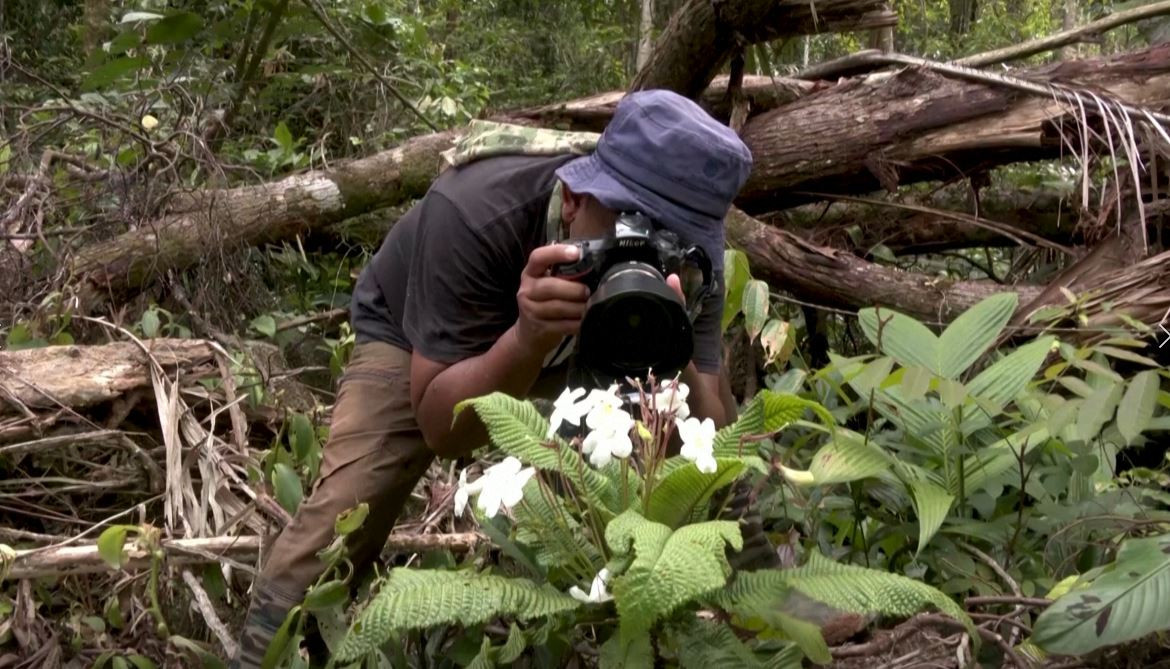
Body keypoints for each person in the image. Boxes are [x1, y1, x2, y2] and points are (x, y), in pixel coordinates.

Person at [231, 89, 772, 668]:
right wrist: (526, 339)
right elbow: (442, 427)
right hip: (427, 334)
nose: (644, 256)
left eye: (670, 242)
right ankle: (268, 651)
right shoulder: (474, 209)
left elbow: (712, 431)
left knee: (710, 462)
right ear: (574, 199)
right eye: (626, 230)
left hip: (590, 336)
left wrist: (671, 345)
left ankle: (772, 608)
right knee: (350, 506)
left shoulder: (691, 261)